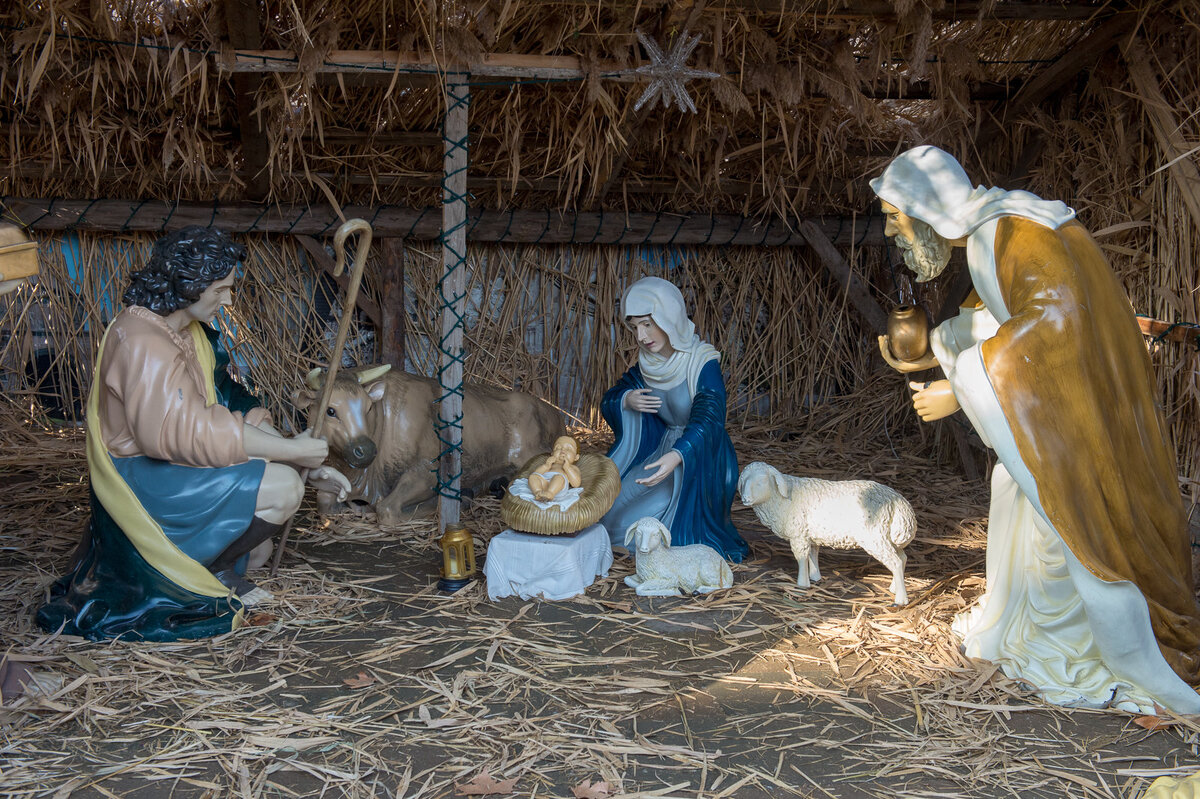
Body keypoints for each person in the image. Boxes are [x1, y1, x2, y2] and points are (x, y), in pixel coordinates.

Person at [873, 145, 1200, 713]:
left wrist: (963, 384)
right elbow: (1007, 318)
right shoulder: (1000, 228)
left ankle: (1079, 643)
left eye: (893, 217)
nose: (890, 232)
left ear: (924, 211)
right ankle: (1021, 622)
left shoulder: (1012, 233)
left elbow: (1056, 323)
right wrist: (948, 345)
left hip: (1078, 425)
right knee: (1011, 490)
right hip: (1075, 412)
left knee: (1068, 529)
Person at [37, 226, 348, 641]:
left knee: (266, 532)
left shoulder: (187, 331)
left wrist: (287, 450)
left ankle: (215, 567)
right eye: (220, 290)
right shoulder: (141, 340)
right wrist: (287, 452)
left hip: (177, 461)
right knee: (282, 489)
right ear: (188, 285)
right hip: (143, 477)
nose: (228, 300)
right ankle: (193, 578)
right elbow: (182, 431)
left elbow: (225, 397)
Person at [599, 277, 748, 561]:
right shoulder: (647, 363)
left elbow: (710, 416)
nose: (642, 336)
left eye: (647, 324)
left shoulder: (701, 362)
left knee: (623, 528)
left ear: (668, 317)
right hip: (661, 451)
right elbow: (614, 395)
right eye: (635, 327)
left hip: (697, 460)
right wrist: (626, 400)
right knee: (604, 510)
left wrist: (679, 455)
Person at [528, 436, 583, 502]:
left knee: (558, 477)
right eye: (558, 448)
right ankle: (538, 492)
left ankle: (550, 493)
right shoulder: (551, 464)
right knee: (532, 477)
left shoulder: (572, 468)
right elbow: (537, 473)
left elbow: (576, 484)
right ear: (552, 453)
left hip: (558, 488)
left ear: (576, 457)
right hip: (544, 484)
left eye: (568, 449)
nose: (562, 451)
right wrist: (546, 466)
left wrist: (567, 468)